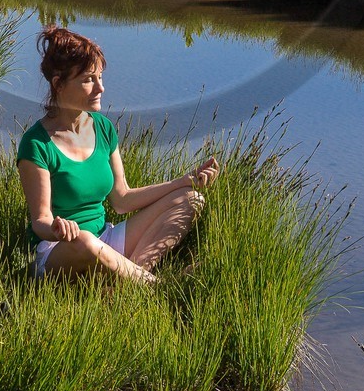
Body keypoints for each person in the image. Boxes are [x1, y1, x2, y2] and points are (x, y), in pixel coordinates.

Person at [16, 24, 219, 283]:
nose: (100, 88)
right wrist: (57, 229)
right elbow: (40, 221)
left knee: (191, 199)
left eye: (100, 78)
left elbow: (122, 200)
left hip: (105, 237)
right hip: (59, 251)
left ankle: (126, 282)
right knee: (85, 241)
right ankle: (155, 286)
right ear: (59, 84)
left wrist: (184, 181)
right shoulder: (36, 144)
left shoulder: (103, 128)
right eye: (88, 79)